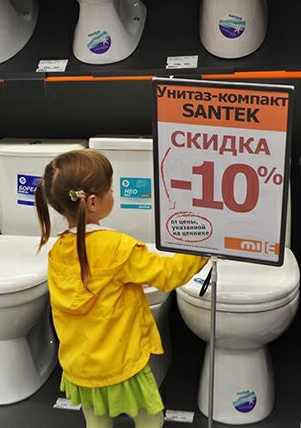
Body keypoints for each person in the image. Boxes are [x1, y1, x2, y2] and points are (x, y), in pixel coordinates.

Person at [35, 149, 208, 428]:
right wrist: (200, 251)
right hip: (120, 363)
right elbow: (168, 274)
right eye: (110, 189)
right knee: (150, 418)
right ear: (93, 202)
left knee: (97, 421)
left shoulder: (58, 251)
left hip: (80, 364)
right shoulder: (117, 248)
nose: (113, 194)